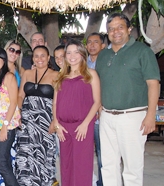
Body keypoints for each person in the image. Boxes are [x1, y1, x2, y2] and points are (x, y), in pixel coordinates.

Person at [95, 12, 160, 186]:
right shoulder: (103, 55)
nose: (115, 31)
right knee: (108, 165)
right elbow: (100, 83)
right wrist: (100, 107)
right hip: (107, 117)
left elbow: (153, 84)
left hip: (133, 117)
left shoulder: (142, 52)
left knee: (132, 168)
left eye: (120, 27)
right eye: (111, 29)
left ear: (129, 29)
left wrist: (150, 115)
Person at [52, 39, 101, 186]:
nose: (72, 56)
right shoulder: (61, 76)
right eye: (69, 53)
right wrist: (57, 125)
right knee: (66, 166)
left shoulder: (91, 74)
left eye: (76, 52)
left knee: (82, 166)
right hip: (63, 127)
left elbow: (97, 102)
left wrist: (85, 124)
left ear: (82, 54)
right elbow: (55, 103)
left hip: (82, 126)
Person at [16, 45, 58, 186]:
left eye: (43, 56)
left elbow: (57, 101)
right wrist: (18, 113)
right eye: (36, 56)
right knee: (25, 154)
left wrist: (55, 120)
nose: (39, 59)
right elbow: (20, 95)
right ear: (32, 58)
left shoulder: (55, 75)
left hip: (45, 121)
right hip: (27, 120)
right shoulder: (27, 73)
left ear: (48, 58)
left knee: (43, 154)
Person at [0, 39, 23, 186]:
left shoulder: (9, 77)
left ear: (4, 60)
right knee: (5, 161)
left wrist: (5, 126)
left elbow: (13, 102)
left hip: (6, 125)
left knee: (0, 163)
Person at [86, 32, 106, 186]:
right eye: (89, 42)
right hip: (84, 117)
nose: (92, 45)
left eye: (96, 42)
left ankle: (102, 182)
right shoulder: (81, 64)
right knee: (84, 152)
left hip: (100, 116)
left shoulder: (107, 64)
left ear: (103, 45)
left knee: (101, 152)